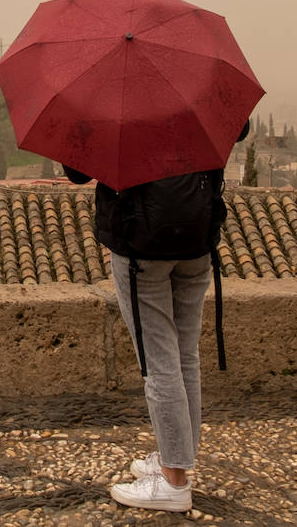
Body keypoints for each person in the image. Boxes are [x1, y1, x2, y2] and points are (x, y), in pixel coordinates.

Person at [66, 119, 247, 514]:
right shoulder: (196, 82)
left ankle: (173, 481)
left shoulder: (111, 98)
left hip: (141, 247)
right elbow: (240, 126)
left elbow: (76, 173)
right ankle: (177, 455)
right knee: (185, 357)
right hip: (197, 240)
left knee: (160, 363)